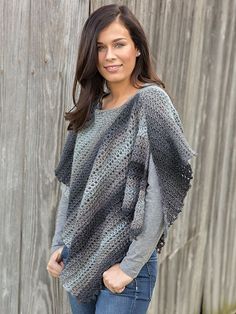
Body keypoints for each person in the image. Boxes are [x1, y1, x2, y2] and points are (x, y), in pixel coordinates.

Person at [47, 4, 197, 314]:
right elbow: (72, 189)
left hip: (125, 262)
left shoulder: (152, 102)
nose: (109, 56)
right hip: (80, 255)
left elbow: (159, 195)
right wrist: (58, 244)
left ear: (138, 48)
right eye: (100, 47)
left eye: (119, 44)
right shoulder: (91, 110)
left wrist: (129, 267)